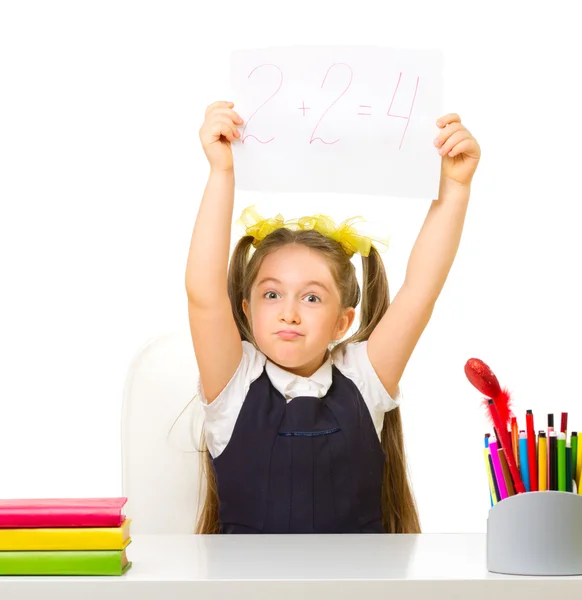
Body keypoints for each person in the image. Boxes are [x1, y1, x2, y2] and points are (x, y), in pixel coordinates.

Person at [185, 100, 481, 534]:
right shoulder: (233, 384)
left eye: (311, 298)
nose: (288, 312)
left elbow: (420, 291)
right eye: (272, 294)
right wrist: (222, 173)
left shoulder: (364, 377)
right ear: (246, 310)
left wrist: (455, 187)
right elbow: (204, 295)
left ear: (343, 322)